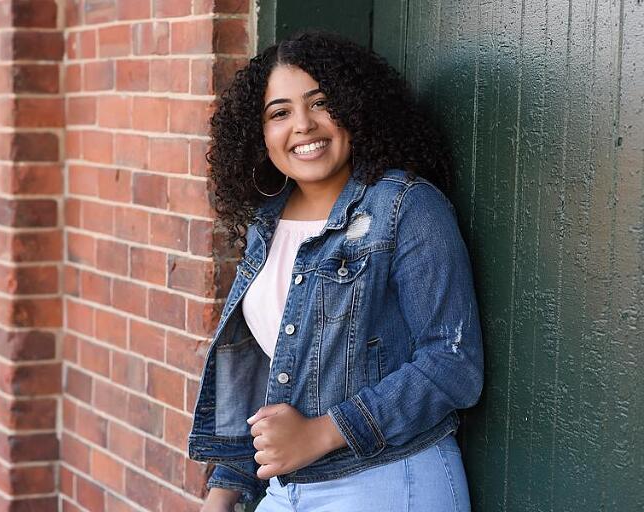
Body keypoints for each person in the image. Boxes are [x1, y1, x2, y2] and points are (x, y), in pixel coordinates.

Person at [188, 31, 483, 512]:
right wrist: (225, 487)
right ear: (259, 134)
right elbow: (270, 366)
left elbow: (453, 363)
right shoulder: (267, 224)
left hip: (388, 480)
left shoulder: (405, 207)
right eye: (279, 113)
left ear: (353, 108)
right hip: (286, 488)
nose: (302, 125)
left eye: (321, 103)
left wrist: (321, 433)